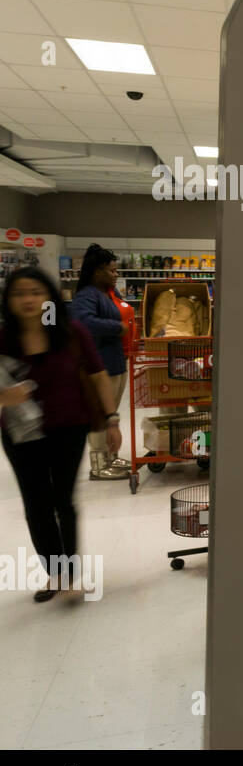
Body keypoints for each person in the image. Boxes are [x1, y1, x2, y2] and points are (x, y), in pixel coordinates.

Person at [0, 268, 122, 601]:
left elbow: (98, 375)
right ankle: (55, 574)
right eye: (19, 293)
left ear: (49, 297)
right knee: (36, 506)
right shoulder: (3, 338)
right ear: (8, 301)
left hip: (69, 428)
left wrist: (112, 420)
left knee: (63, 502)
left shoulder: (72, 333)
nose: (27, 300)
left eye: (35, 292)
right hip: (21, 434)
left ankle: (69, 576)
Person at [70, 244, 129, 480]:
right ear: (97, 272)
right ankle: (98, 464)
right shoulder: (87, 295)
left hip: (115, 362)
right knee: (100, 415)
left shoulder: (109, 294)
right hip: (100, 365)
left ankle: (110, 457)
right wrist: (117, 327)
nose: (116, 275)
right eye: (112, 271)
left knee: (112, 413)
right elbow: (83, 322)